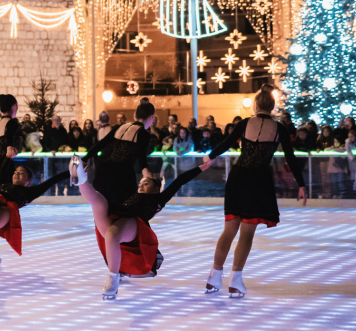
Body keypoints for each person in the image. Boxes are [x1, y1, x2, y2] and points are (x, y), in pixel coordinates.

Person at [202, 85, 306, 298]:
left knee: (229, 230)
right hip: (258, 181)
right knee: (246, 234)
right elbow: (291, 158)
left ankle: (214, 277)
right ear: (273, 107)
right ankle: (235, 281)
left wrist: (210, 157)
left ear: (256, 105)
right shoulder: (280, 129)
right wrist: (301, 184)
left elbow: (226, 143)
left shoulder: (245, 123)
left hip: (238, 177)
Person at [70, 153, 212, 299]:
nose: (141, 185)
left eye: (146, 183)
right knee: (98, 201)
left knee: (112, 234)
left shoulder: (158, 199)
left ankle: (112, 279)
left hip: (134, 222)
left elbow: (180, 180)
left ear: (157, 188)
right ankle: (81, 180)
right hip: (117, 214)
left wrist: (203, 167)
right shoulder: (132, 194)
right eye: (141, 183)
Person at [0, 141, 69, 284]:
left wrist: (73, 171)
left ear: (28, 180)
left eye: (21, 173)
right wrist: (8, 158)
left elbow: (52, 181)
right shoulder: (4, 183)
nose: (16, 174)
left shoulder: (30, 191)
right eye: (15, 172)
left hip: (5, 210)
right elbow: (4, 169)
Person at [81, 101, 155, 210]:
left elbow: (101, 144)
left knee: (105, 210)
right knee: (127, 209)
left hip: (102, 171)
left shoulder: (120, 127)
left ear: (136, 115)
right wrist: (146, 173)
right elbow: (141, 155)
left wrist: (85, 159)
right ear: (151, 117)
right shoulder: (143, 133)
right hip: (121, 175)